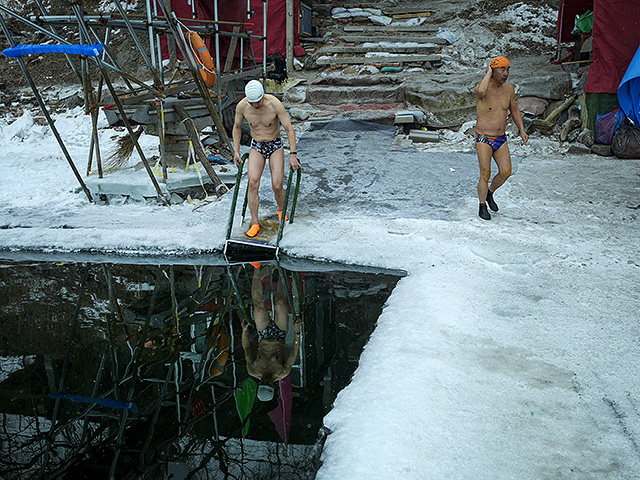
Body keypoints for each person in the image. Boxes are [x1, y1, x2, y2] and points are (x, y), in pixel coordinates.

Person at [232, 80, 301, 237]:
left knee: (277, 185)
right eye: (252, 103)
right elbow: (236, 127)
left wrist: (293, 154)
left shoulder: (274, 104)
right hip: (257, 145)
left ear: (263, 96)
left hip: (275, 144)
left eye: (258, 102)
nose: (255, 106)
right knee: (253, 183)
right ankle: (255, 222)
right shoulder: (242, 106)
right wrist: (236, 151)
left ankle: (281, 211)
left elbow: (289, 129)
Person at [474, 56, 529, 220]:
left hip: (500, 137)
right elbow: (481, 92)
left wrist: (522, 130)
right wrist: (488, 73)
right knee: (485, 173)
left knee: (506, 171)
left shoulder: (509, 89)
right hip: (484, 137)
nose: (506, 73)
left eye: (508, 69)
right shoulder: (482, 88)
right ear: (493, 71)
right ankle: (482, 205)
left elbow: (515, 110)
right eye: (502, 69)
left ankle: (490, 193)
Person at [241, 264, 302, 401]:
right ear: (272, 386)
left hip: (263, 334)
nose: (265, 381)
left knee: (257, 307)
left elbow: (246, 348)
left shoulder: (253, 370)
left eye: (262, 383)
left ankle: (257, 268)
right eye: (267, 384)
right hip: (280, 335)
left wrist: (244, 332)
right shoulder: (282, 372)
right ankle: (281, 270)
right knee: (279, 303)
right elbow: (294, 350)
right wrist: (297, 332)